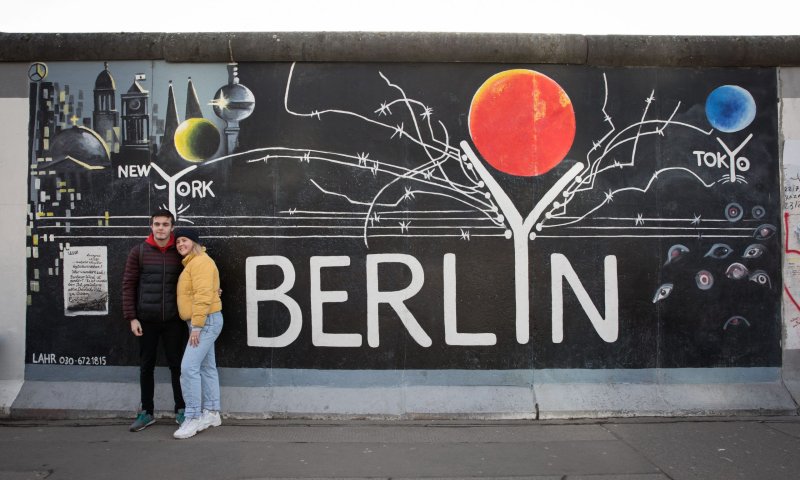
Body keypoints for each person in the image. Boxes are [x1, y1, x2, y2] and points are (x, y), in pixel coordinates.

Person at [122, 209, 187, 431]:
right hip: (146, 320)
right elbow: (128, 285)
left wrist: (214, 289)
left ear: (172, 227)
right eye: (157, 224)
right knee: (146, 366)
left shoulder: (180, 252)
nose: (161, 228)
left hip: (173, 320)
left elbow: (197, 276)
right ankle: (147, 412)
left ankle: (181, 410)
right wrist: (132, 317)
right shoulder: (138, 252)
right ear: (151, 226)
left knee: (177, 366)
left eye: (165, 224)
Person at [172, 227, 224, 440]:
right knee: (206, 367)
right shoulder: (195, 263)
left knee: (188, 368)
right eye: (177, 242)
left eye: (184, 240)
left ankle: (192, 417)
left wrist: (197, 325)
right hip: (205, 320)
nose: (180, 245)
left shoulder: (201, 261)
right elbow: (208, 290)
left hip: (204, 321)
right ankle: (212, 413)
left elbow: (203, 295)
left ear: (194, 242)